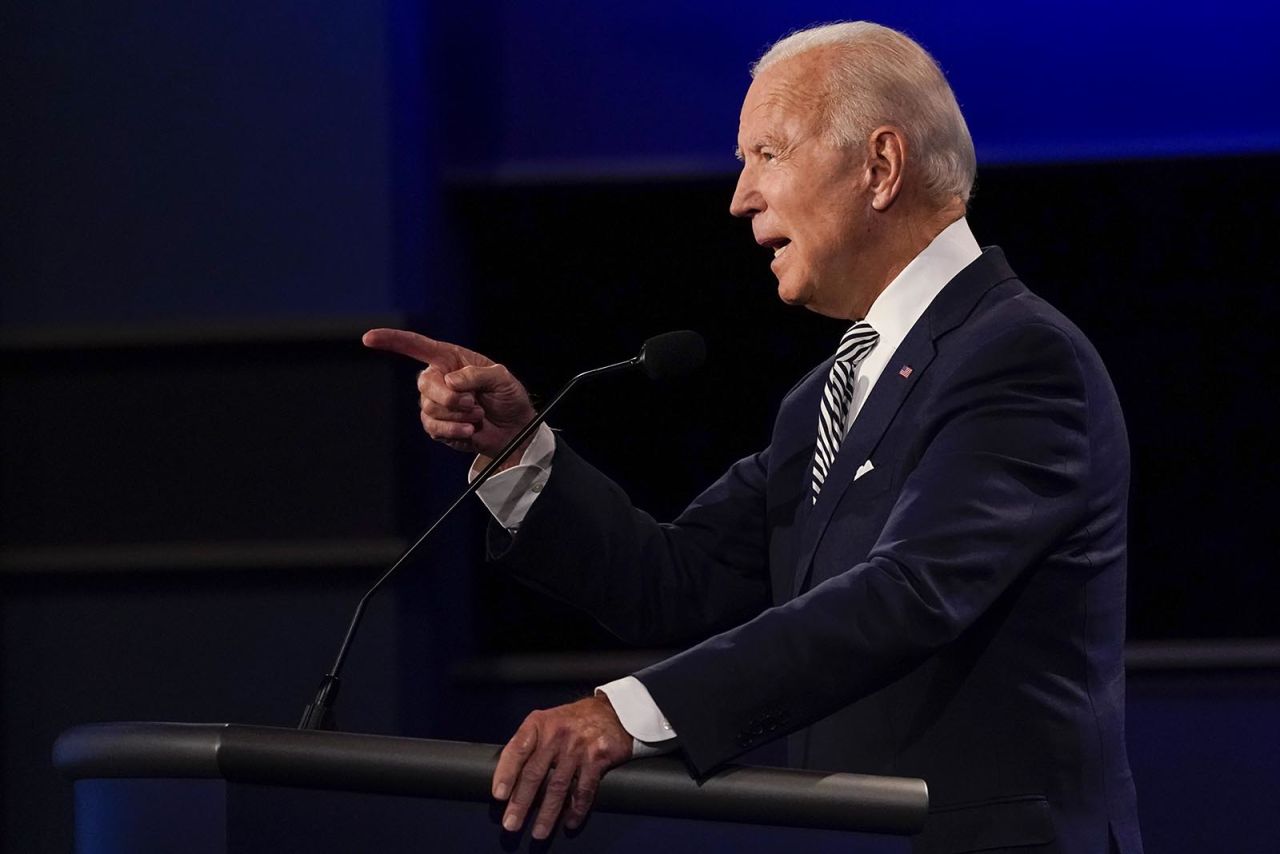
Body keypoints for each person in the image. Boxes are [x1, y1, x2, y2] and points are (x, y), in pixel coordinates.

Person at [364, 21, 1142, 854]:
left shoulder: (1020, 356)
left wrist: (625, 716)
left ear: (879, 167)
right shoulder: (822, 397)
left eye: (766, 153)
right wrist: (519, 449)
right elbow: (674, 581)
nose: (740, 197)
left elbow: (909, 593)